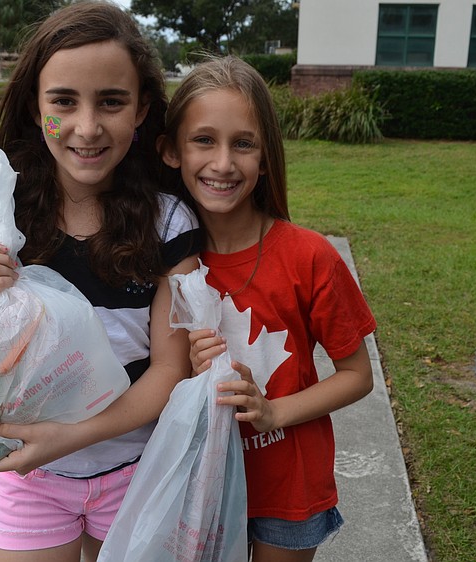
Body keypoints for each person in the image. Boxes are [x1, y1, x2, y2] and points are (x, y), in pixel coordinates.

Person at [0, 2, 201, 561]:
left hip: (140, 468)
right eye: (63, 101)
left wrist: (71, 437)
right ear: (36, 110)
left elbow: (169, 368)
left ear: (141, 112)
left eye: (111, 102)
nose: (87, 128)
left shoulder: (170, 224)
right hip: (29, 479)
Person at [158, 56, 376, 562]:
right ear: (170, 150)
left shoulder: (309, 255)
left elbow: (356, 375)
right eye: (203, 140)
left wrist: (274, 410)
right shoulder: (160, 260)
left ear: (266, 154)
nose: (223, 163)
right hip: (197, 482)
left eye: (244, 143)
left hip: (288, 487)